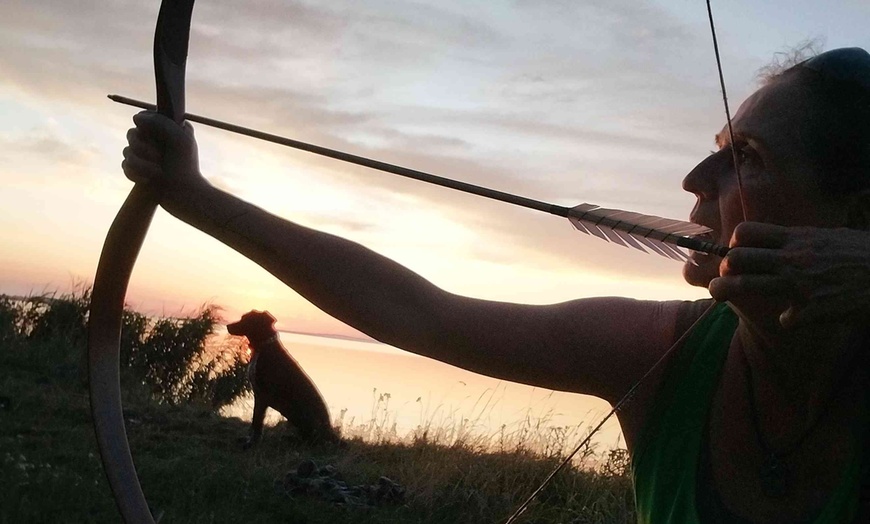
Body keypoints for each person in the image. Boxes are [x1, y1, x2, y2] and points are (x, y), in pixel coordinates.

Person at [122, 47, 870, 522]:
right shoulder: (667, 356)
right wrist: (195, 196)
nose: (695, 180)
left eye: (748, 158)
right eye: (716, 149)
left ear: (853, 220)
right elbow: (418, 313)